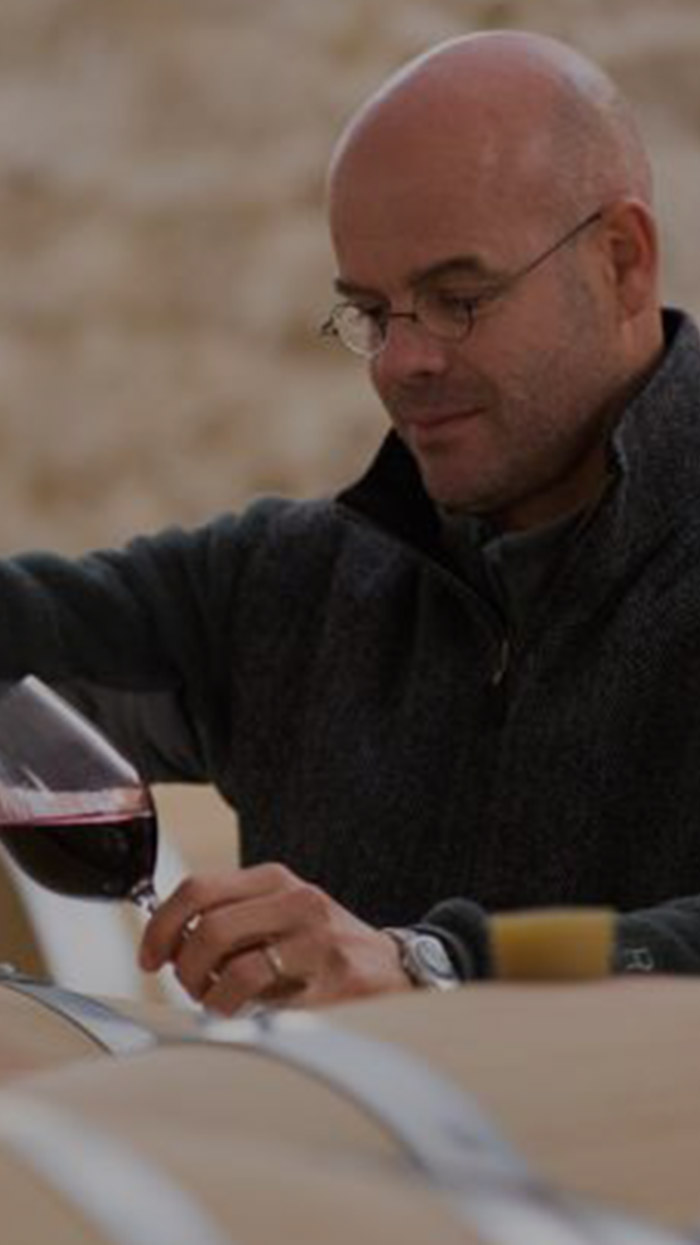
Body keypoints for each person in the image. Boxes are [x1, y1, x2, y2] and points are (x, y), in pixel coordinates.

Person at [2, 28, 700, 1013]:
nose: (401, 361)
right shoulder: (297, 586)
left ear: (622, 260)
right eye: (371, 312)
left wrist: (438, 967)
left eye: (458, 298)